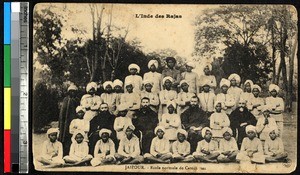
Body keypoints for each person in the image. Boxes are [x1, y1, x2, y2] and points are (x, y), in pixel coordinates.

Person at [58, 84, 79, 156]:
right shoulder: (65, 100)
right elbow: (62, 112)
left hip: (74, 120)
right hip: (65, 122)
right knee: (64, 135)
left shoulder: (77, 100)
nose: (72, 93)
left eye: (74, 91)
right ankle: (64, 152)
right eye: (71, 91)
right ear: (68, 92)